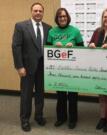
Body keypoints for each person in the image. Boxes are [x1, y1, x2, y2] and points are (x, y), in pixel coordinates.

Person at [12, 2, 51, 132]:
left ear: (43, 12)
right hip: (27, 68)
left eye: (40, 11)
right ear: (31, 12)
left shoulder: (48, 27)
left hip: (42, 67)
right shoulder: (21, 26)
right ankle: (25, 120)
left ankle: (39, 116)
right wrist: (19, 66)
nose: (38, 13)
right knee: (26, 95)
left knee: (40, 93)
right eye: (35, 10)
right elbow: (16, 47)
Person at [47, 8, 84, 129]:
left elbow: (83, 49)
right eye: (60, 17)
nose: (62, 18)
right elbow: (46, 49)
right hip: (58, 70)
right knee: (61, 95)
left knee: (73, 96)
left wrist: (73, 46)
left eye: (64, 16)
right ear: (57, 19)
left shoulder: (75, 31)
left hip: (73, 70)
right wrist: (53, 46)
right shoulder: (52, 31)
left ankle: (73, 119)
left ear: (67, 17)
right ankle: (61, 118)